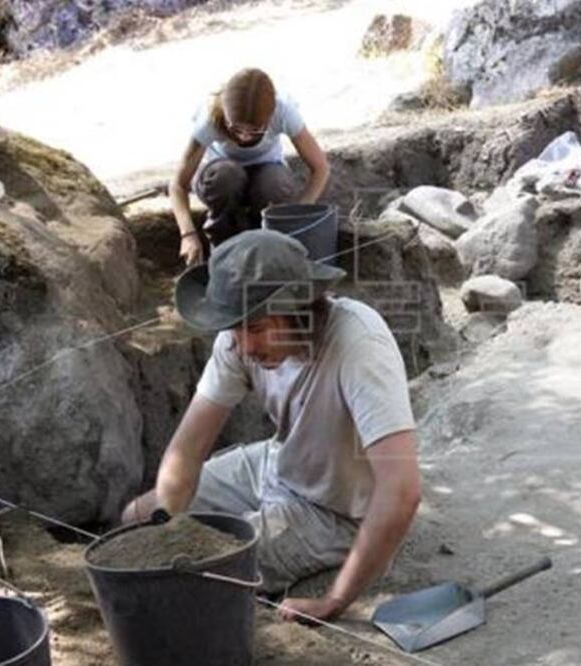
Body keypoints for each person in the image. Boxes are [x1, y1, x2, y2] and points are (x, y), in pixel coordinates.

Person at [121, 229, 421, 622]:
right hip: (278, 463)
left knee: (200, 573)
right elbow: (187, 450)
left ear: (301, 308)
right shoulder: (238, 338)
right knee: (136, 521)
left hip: (337, 510)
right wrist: (164, 524)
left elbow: (402, 491)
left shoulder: (358, 345)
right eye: (236, 328)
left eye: (258, 328)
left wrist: (334, 601)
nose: (244, 346)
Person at [171, 68, 331, 266]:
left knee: (274, 182)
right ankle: (224, 254)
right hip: (220, 176)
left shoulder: (283, 111)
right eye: (236, 129)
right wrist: (188, 235)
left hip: (266, 172)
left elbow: (321, 168)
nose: (244, 137)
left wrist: (296, 216)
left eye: (255, 130)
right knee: (227, 175)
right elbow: (178, 185)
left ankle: (267, 254)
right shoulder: (210, 119)